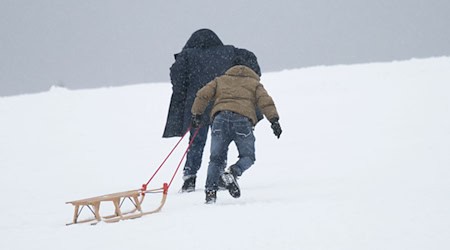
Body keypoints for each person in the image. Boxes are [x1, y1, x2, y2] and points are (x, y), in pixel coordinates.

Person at [162, 29, 262, 192]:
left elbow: (177, 77)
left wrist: (184, 94)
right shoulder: (230, 53)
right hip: (222, 106)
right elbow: (250, 62)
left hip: (198, 106)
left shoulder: (188, 56)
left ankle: (190, 178)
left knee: (195, 142)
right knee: (220, 144)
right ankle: (219, 177)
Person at [190, 58, 282, 203]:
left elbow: (203, 94)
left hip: (220, 120)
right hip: (242, 121)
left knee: (216, 159)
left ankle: (210, 193)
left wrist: (197, 114)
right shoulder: (254, 84)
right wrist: (274, 121)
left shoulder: (220, 80)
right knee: (248, 156)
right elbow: (265, 101)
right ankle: (233, 172)